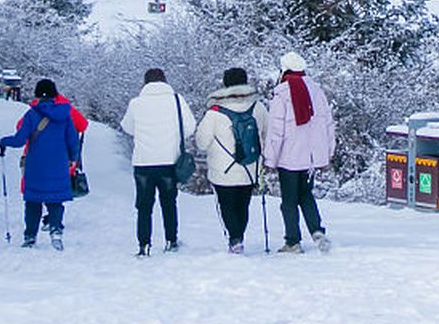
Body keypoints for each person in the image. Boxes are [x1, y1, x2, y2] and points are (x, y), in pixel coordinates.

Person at [262, 50, 335, 254]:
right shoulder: (317, 91)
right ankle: (317, 230)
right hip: (311, 157)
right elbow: (329, 123)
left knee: (289, 200)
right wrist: (328, 151)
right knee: (306, 195)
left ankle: (292, 241)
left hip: (289, 156)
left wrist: (270, 158)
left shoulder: (282, 94)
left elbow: (276, 130)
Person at [0, 78, 82, 250]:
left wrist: (3, 141)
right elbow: (73, 140)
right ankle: (56, 232)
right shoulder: (65, 115)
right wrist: (73, 158)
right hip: (58, 164)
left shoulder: (31, 115)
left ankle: (30, 237)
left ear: (37, 94)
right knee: (55, 201)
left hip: (36, 165)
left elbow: (20, 140)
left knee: (33, 201)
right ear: (54, 94)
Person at [121, 67, 194, 255]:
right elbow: (190, 127)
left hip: (143, 162)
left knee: (144, 206)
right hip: (169, 161)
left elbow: (127, 127)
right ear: (164, 81)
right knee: (169, 203)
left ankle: (143, 245)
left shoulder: (136, 103)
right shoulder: (177, 101)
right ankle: (171, 241)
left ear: (145, 83)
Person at [196, 66, 268, 253]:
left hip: (223, 169)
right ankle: (239, 238)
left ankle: (235, 240)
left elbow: (202, 143)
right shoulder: (258, 107)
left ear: (225, 84)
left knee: (226, 204)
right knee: (243, 205)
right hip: (249, 166)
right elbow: (268, 135)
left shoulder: (215, 111)